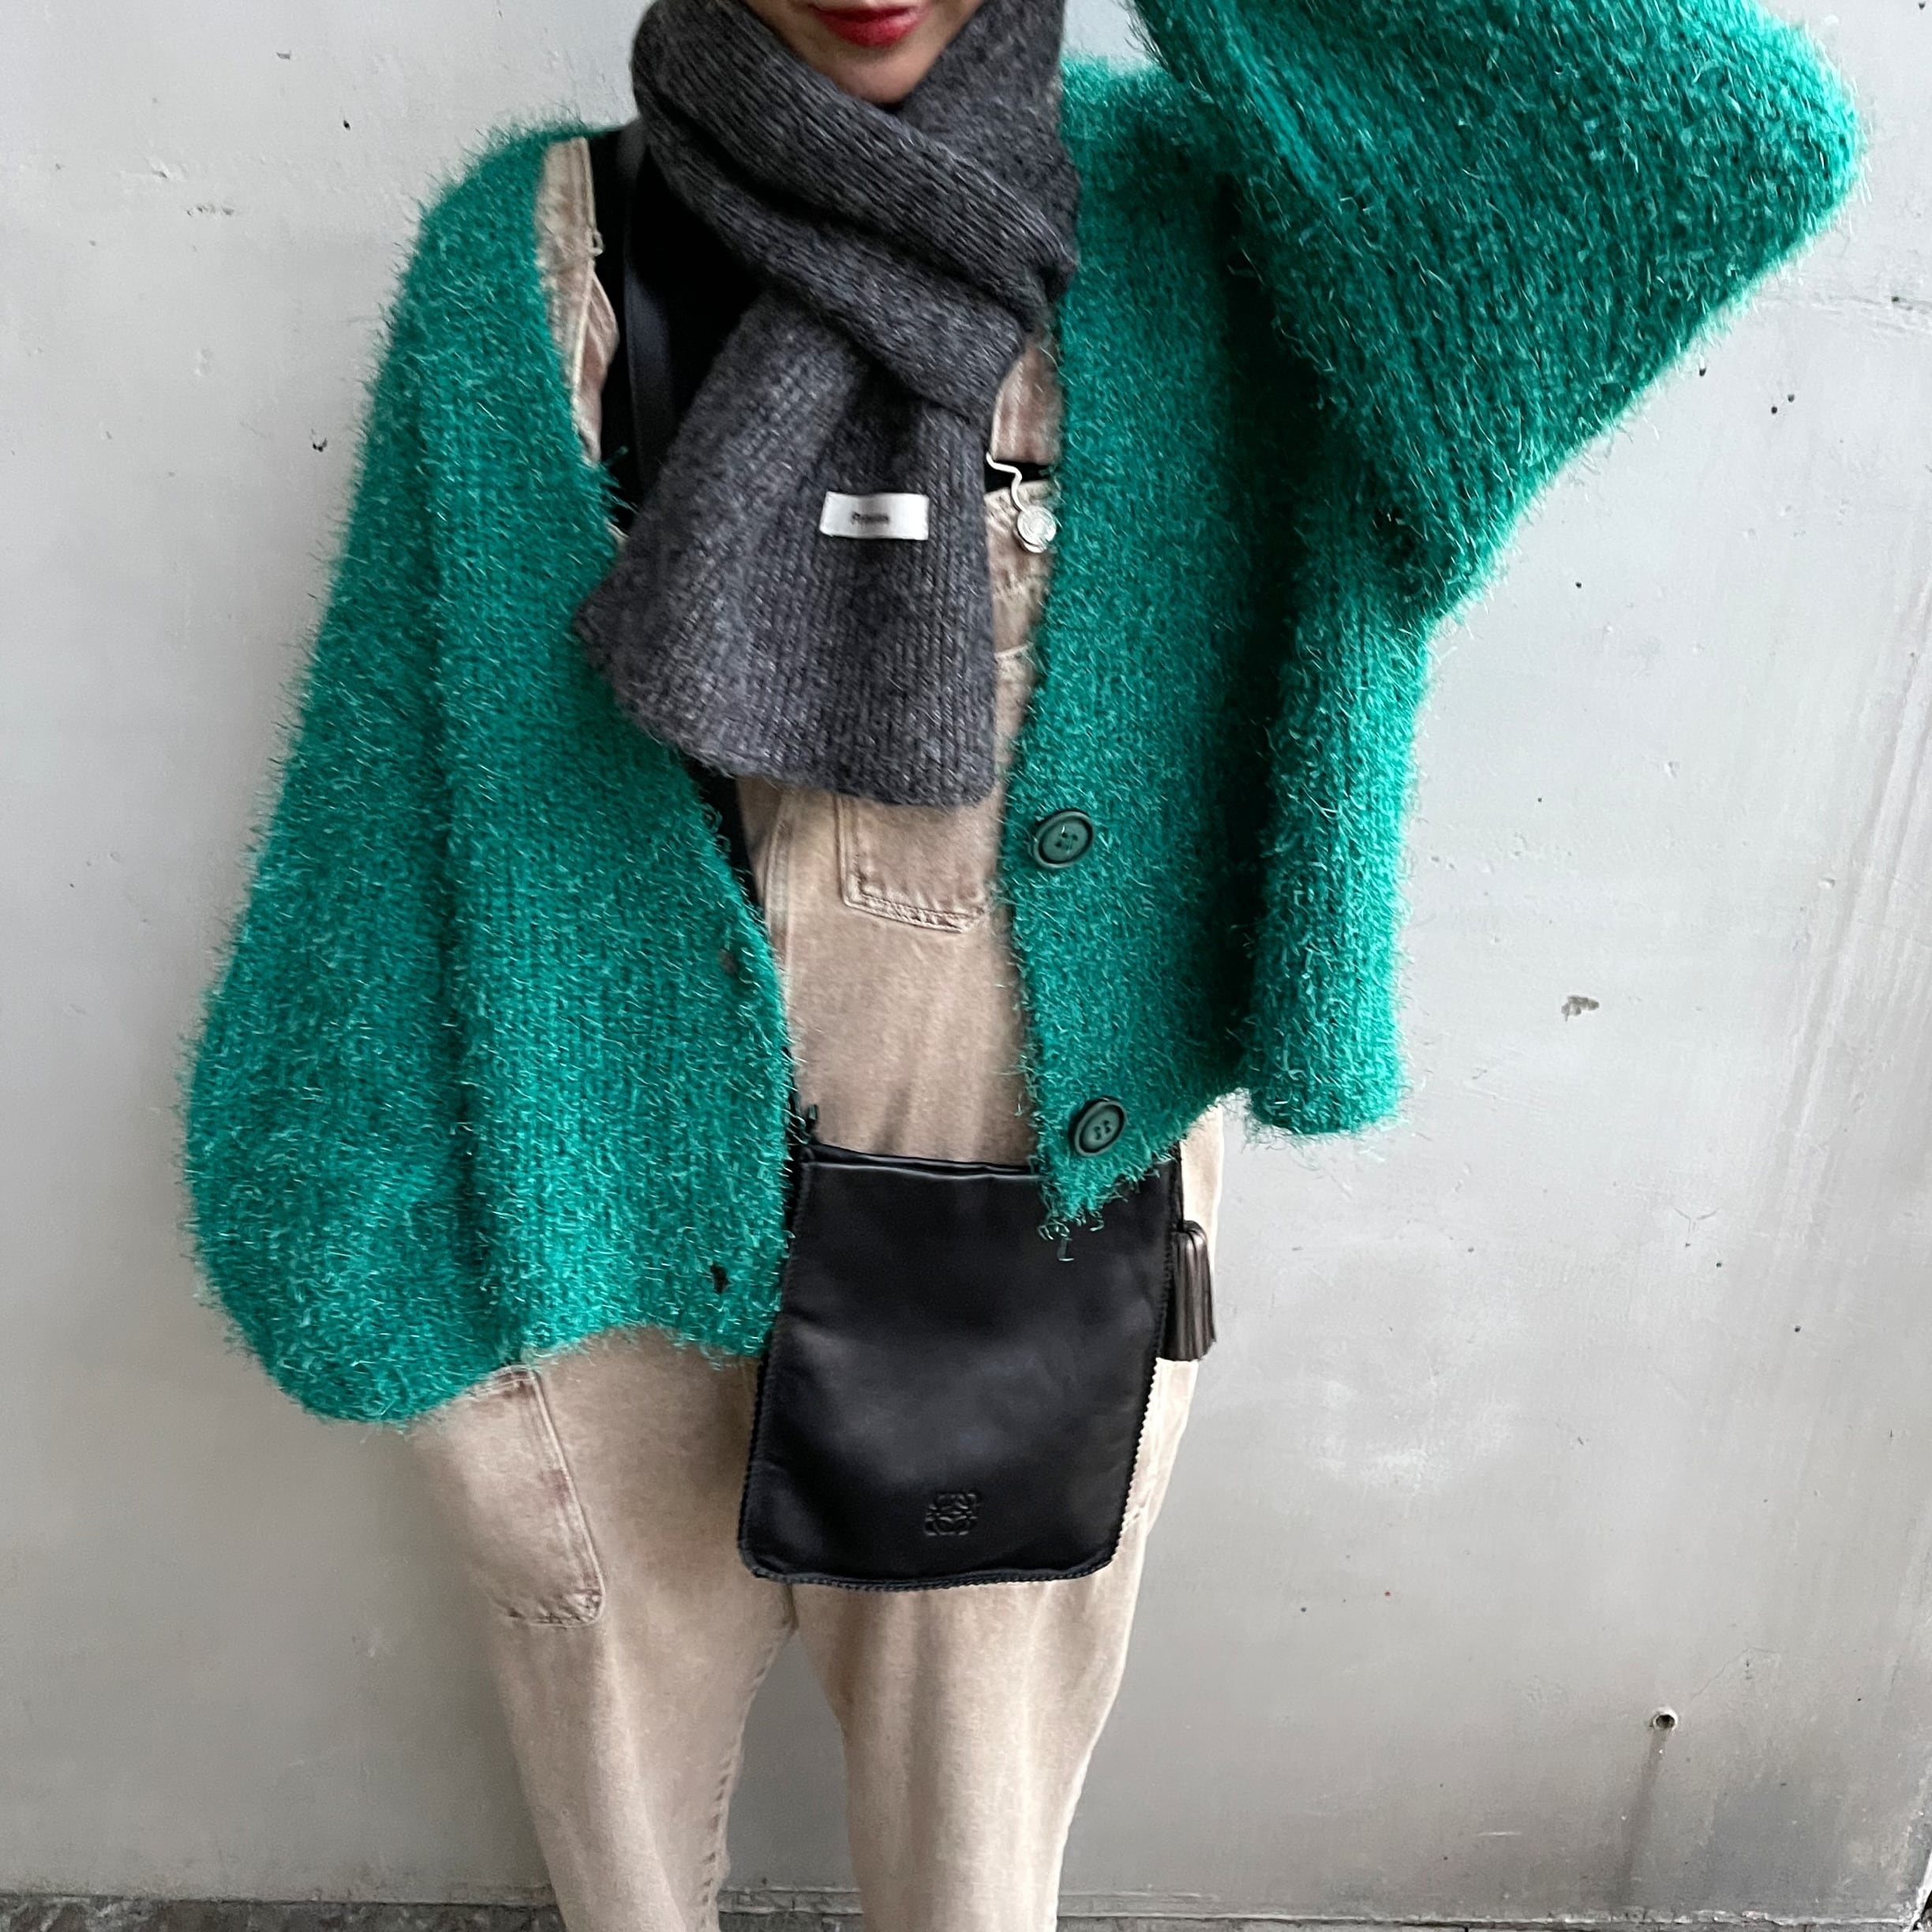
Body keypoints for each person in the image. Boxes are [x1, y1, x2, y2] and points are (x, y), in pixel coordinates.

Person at [182, 0, 1857, 1926]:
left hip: (1022, 1211)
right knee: (621, 1881)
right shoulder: (542, 241)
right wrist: (360, 1228)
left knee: (972, 1879)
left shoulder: (1230, 226)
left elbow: (1725, 144)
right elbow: (407, 778)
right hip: (585, 1220)